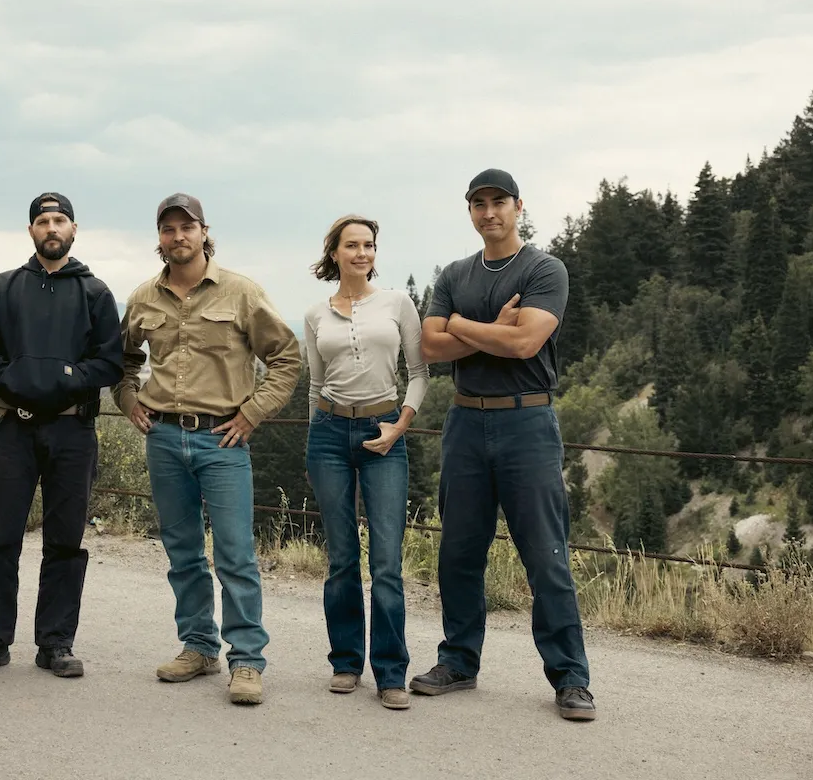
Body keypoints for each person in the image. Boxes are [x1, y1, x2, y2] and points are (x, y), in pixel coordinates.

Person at [415, 169, 596, 721]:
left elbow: (524, 341)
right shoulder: (454, 273)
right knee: (459, 553)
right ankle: (458, 663)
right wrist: (488, 325)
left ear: (519, 206)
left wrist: (462, 328)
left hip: (528, 424)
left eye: (498, 202)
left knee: (546, 556)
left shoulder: (545, 269)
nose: (489, 212)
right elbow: (429, 345)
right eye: (478, 204)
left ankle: (570, 678)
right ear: (469, 212)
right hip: (465, 424)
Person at [113, 193, 300, 705]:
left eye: (186, 227)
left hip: (223, 438)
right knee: (183, 552)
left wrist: (253, 413)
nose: (178, 236)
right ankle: (197, 646)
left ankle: (246, 662)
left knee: (236, 554)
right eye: (168, 228)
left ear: (203, 231)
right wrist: (129, 398)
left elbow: (285, 357)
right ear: (159, 238)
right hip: (165, 439)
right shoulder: (143, 299)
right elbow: (122, 360)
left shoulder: (241, 293)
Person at [0, 192, 123, 680]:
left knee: (66, 542)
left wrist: (63, 380)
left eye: (60, 220)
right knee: (1, 538)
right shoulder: (4, 288)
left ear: (73, 230)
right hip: (15, 427)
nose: (52, 227)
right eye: (43, 221)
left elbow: (109, 361)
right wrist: (17, 381)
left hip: (73, 430)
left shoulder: (95, 292)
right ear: (31, 231)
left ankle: (56, 643)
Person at [303, 214, 427, 710]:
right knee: (340, 559)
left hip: (384, 431)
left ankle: (391, 673)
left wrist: (399, 427)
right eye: (352, 245)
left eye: (369, 245)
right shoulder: (315, 315)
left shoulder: (398, 304)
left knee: (386, 562)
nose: (362, 253)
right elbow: (314, 385)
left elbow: (418, 374)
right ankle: (345, 663)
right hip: (330, 433)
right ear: (334, 252)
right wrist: (317, 435)